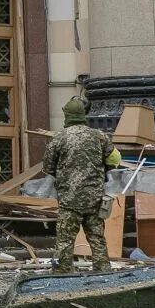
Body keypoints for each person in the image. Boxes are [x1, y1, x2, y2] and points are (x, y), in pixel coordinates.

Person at [46, 97, 122, 273]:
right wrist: (102, 168)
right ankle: (103, 272)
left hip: (69, 201)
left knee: (65, 240)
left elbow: (48, 168)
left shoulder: (58, 139)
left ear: (67, 115)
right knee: (97, 238)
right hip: (94, 199)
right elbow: (115, 159)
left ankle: (63, 275)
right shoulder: (99, 136)